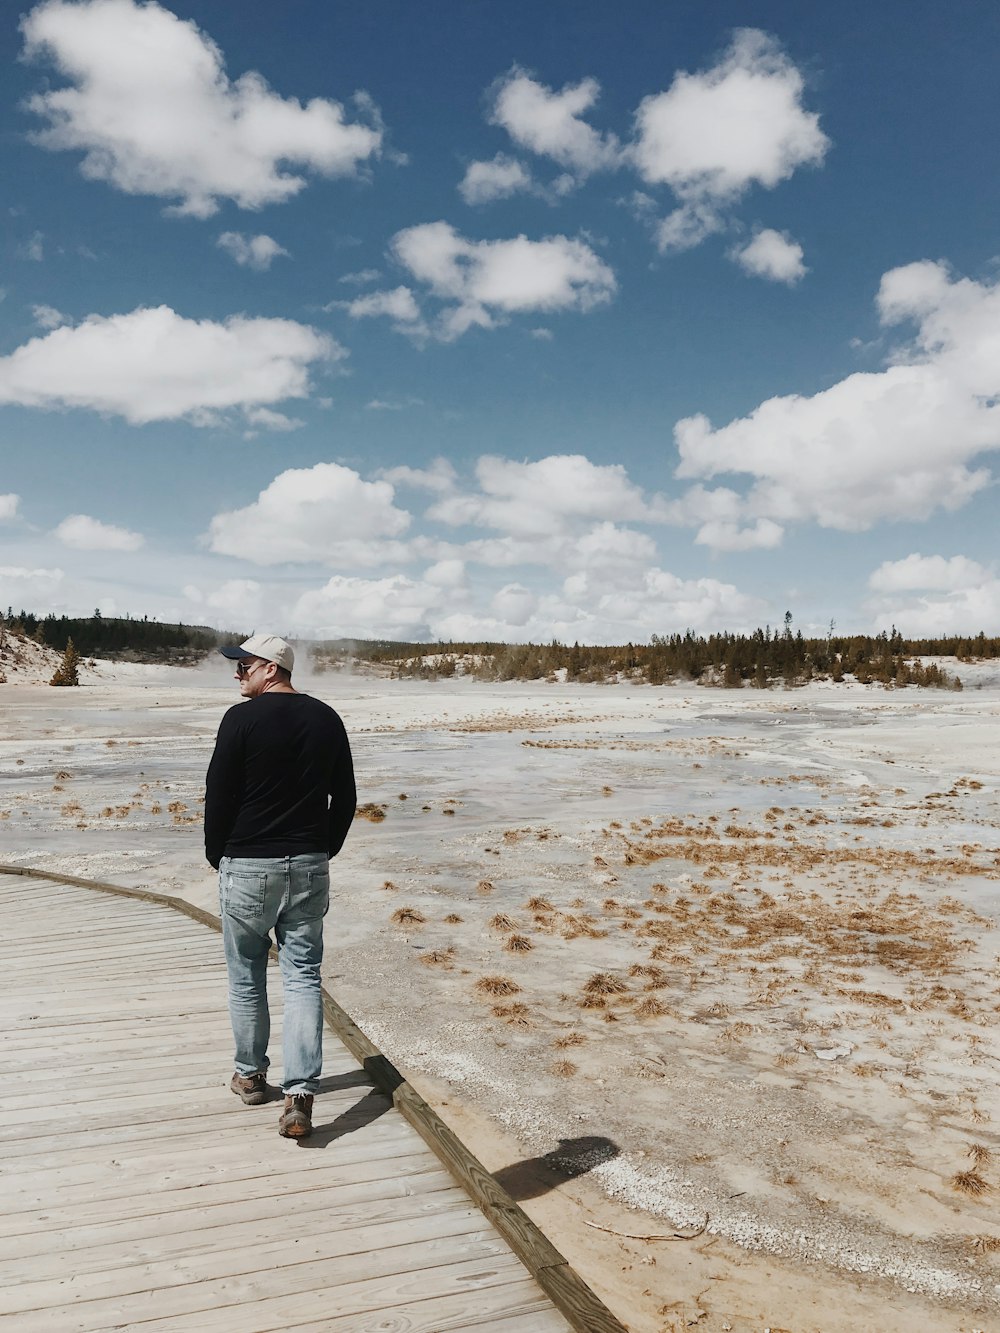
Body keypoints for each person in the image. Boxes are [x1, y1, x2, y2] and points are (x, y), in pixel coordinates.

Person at [205, 634, 356, 1139]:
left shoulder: (239, 720)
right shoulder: (327, 718)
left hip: (248, 865)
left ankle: (250, 1077)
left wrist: (217, 853)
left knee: (247, 974)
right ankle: (299, 1096)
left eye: (243, 665)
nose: (236, 673)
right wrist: (322, 848)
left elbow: (219, 794)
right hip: (309, 864)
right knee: (303, 977)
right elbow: (347, 797)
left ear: (271, 668)